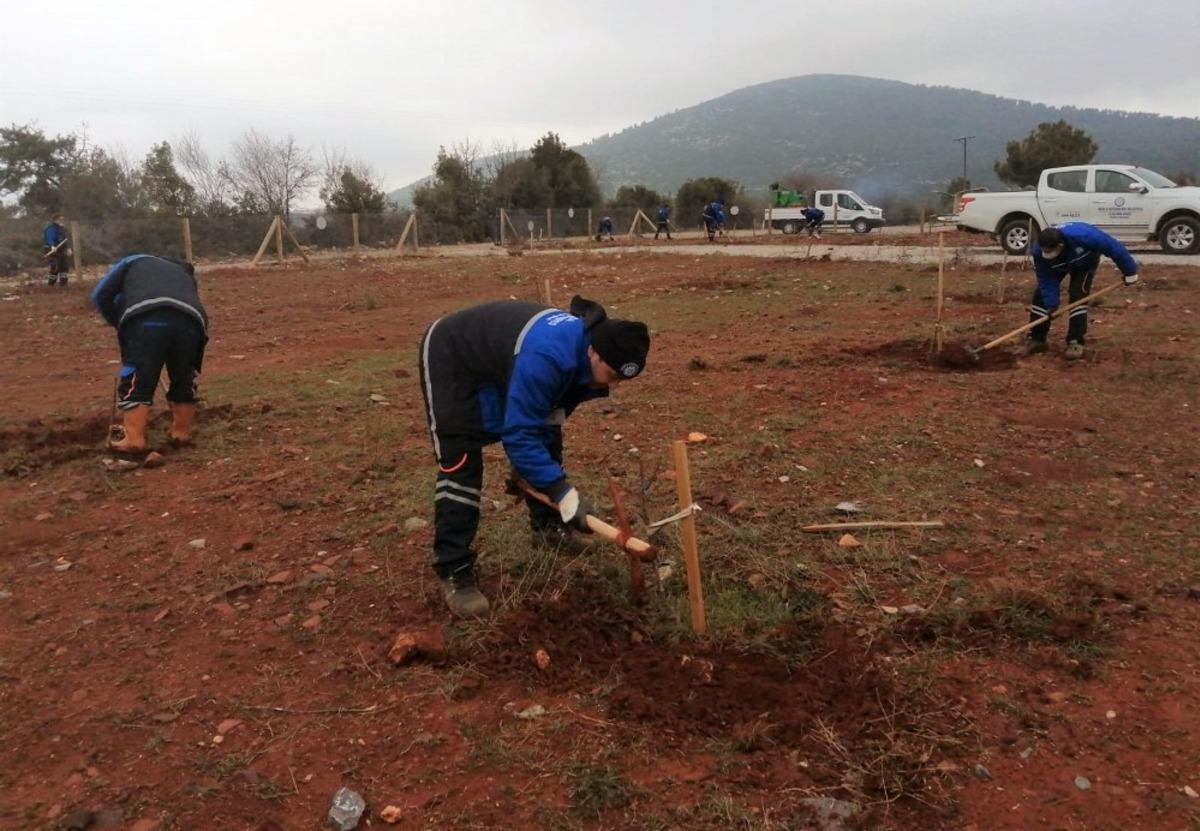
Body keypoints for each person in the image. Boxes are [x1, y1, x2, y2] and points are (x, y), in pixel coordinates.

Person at [417, 295, 651, 619]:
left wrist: (550, 481)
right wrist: (563, 493)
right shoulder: (549, 356)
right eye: (611, 374)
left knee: (548, 438)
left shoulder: (586, 359)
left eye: (620, 380)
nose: (613, 385)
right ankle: (454, 570)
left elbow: (543, 421)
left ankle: (547, 529)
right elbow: (519, 434)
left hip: (500, 360)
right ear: (593, 351)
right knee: (461, 465)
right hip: (452, 354)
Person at [90, 255, 209, 451]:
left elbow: (100, 294)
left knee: (137, 378)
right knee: (184, 378)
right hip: (192, 323)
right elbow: (190, 301)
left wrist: (119, 322)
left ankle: (134, 439)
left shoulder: (133, 260)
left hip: (146, 321)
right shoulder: (183, 272)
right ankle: (181, 433)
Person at [1026, 223, 1139, 360]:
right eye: (1045, 251)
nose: (1046, 253)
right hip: (1057, 265)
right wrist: (1051, 303)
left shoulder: (1085, 236)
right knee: (1041, 297)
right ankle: (1038, 339)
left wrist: (1130, 271)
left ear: (1060, 246)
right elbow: (1046, 278)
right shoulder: (1039, 251)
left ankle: (1075, 342)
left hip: (1085, 262)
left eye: (1050, 251)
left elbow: (1113, 247)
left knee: (1078, 295)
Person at [43, 213, 70, 286]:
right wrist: (52, 246)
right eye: (61, 219)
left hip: (62, 250)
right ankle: (51, 284)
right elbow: (50, 238)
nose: (62, 221)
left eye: (63, 219)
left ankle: (63, 284)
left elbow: (65, 239)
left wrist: (68, 248)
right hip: (52, 250)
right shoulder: (50, 228)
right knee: (55, 267)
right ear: (56, 220)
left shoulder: (62, 228)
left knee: (64, 266)